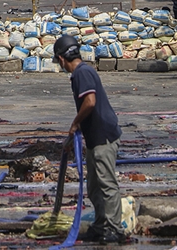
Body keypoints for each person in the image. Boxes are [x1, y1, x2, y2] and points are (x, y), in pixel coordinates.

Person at [53, 36, 126, 244]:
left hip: (103, 136)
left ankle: (115, 229)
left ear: (61, 59)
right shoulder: (82, 72)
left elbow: (90, 102)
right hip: (95, 138)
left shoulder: (81, 73)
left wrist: (75, 123)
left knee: (107, 184)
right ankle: (101, 225)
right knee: (94, 185)